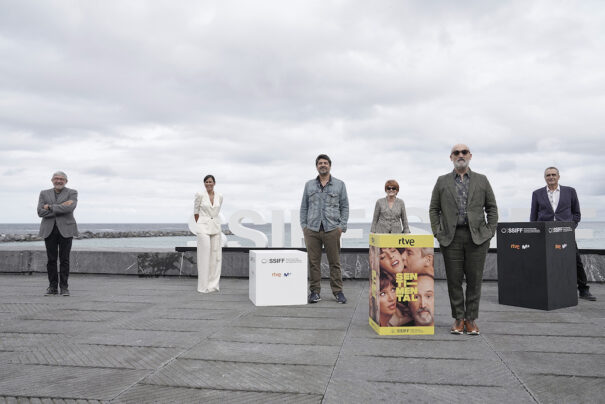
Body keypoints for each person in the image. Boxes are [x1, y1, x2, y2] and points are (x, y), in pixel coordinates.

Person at [429, 144, 498, 335]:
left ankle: (471, 320)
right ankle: (458, 319)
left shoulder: (482, 180)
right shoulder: (442, 181)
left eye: (464, 152)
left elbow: (491, 208)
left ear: (470, 156)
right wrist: (437, 232)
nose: (461, 155)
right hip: (451, 237)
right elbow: (434, 209)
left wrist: (490, 231)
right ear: (450, 157)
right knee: (454, 280)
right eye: (456, 153)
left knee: (475, 280)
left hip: (477, 237)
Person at [530, 167, 596, 301]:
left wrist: (571, 228)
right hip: (545, 234)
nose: (551, 177)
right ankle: (540, 290)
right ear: (545, 178)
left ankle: (583, 290)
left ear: (559, 176)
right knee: (542, 262)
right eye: (548, 175)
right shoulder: (537, 193)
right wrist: (536, 232)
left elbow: (576, 214)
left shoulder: (570, 191)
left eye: (554, 174)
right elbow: (533, 216)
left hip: (565, 233)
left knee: (575, 261)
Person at [300, 154, 349, 304]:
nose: (323, 165)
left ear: (330, 166)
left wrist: (341, 227)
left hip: (332, 229)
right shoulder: (309, 185)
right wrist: (304, 226)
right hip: (312, 229)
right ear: (316, 166)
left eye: (325, 163)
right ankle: (314, 292)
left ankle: (338, 292)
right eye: (320, 163)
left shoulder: (340, 185)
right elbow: (304, 207)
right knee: (313, 262)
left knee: (335, 263)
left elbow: (344, 207)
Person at [37, 171, 78, 296]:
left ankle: (64, 287)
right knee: (51, 260)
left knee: (64, 260)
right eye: (56, 178)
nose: (58, 181)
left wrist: (49, 207)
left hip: (66, 229)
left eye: (61, 179)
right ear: (52, 180)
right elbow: (39, 212)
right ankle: (52, 287)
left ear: (66, 181)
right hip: (49, 229)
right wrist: (60, 207)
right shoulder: (44, 193)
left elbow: (70, 208)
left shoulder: (72, 192)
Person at [194, 174, 223, 293]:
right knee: (204, 256)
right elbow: (196, 212)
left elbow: (217, 210)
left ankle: (213, 285)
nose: (208, 184)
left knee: (215, 257)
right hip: (203, 227)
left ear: (214, 183)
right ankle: (203, 286)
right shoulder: (200, 195)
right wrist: (201, 223)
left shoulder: (220, 196)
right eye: (206, 182)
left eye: (210, 182)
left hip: (215, 227)